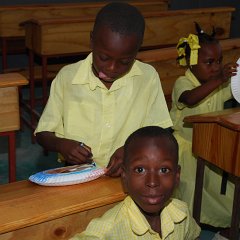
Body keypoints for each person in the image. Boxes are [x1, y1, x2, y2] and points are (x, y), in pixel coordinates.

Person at [34, 2, 172, 177]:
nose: (112, 68)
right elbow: (43, 134)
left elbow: (161, 131)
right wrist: (62, 145)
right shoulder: (67, 78)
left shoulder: (147, 77)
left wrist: (130, 149)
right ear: (92, 40)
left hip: (128, 175)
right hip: (77, 175)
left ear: (138, 49)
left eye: (125, 62)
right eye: (104, 57)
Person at [70, 126, 201, 240]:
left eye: (164, 170)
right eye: (140, 170)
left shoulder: (182, 213)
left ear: (177, 176)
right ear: (124, 177)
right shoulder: (108, 230)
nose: (152, 182)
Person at [170, 22, 238, 239]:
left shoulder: (219, 83)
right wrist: (220, 79)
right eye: (209, 62)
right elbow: (190, 99)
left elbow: (235, 92)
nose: (216, 67)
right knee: (190, 196)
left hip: (211, 148)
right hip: (187, 152)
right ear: (191, 64)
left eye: (219, 61)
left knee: (223, 194)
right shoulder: (183, 82)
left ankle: (224, 230)